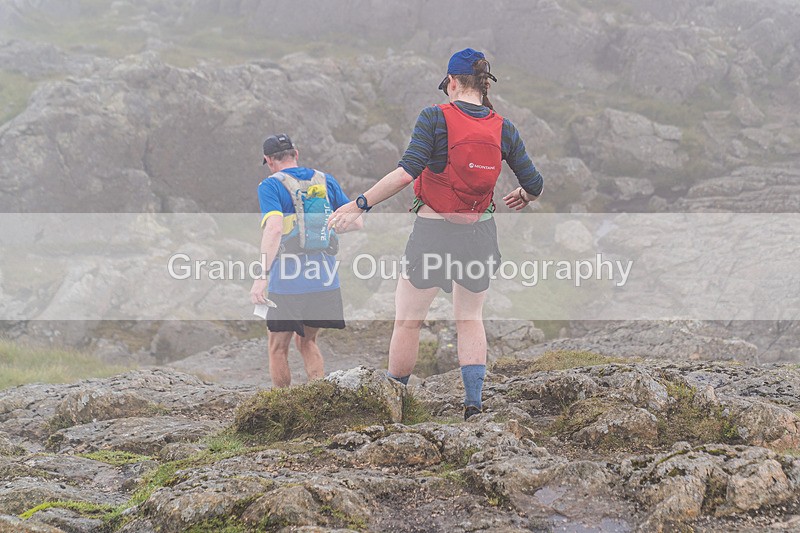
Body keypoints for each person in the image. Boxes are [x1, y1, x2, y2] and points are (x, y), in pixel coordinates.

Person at [330, 48, 544, 419]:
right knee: (470, 318)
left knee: (408, 320)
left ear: (452, 82)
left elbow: (406, 172)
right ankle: (473, 404)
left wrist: (359, 204)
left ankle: (395, 403)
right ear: (483, 84)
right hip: (480, 233)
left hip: (433, 233)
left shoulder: (435, 117)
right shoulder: (503, 127)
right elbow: (535, 183)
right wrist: (524, 195)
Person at [250, 133, 363, 388]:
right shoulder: (325, 181)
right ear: (296, 154)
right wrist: (326, 229)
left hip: (288, 281)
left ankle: (282, 407)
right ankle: (318, 400)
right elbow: (357, 221)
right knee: (308, 342)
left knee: (278, 346)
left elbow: (274, 229)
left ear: (269, 160)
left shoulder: (270, 185)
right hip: (324, 278)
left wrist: (260, 277)